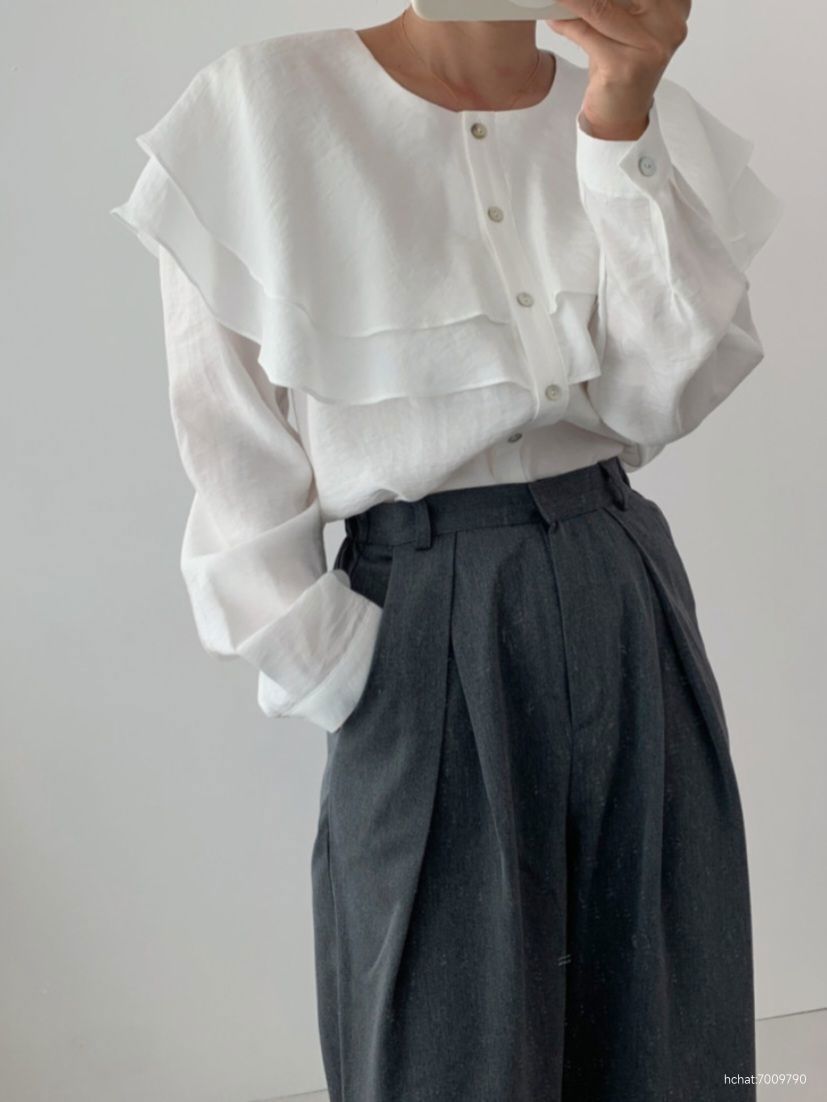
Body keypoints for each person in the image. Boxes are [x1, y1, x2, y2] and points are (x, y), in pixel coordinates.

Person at [110, 4, 783, 1099]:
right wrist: (356, 677)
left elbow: (659, 395)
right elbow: (230, 449)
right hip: (418, 608)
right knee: (439, 1045)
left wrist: (621, 116)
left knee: (664, 1015)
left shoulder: (627, 112)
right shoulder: (259, 107)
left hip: (618, 581)